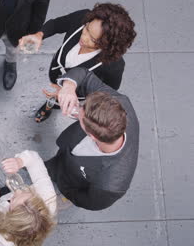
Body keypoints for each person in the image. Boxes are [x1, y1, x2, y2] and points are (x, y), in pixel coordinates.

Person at [44, 66, 139, 211]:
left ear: (92, 136)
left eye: (79, 117)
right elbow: (85, 75)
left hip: (70, 184)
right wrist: (69, 87)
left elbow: (90, 202)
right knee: (47, 167)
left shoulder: (112, 184)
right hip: (64, 157)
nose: (76, 110)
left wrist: (65, 189)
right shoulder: (119, 103)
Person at [33, 3, 137, 122]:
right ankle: (50, 104)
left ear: (108, 45)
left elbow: (107, 91)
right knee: (51, 93)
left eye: (93, 39)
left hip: (78, 92)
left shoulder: (114, 66)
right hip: (56, 72)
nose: (83, 37)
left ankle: (51, 106)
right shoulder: (82, 17)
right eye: (87, 28)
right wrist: (39, 35)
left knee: (57, 100)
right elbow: (56, 24)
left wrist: (74, 97)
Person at [0, 150, 56, 246]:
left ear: (9, 221)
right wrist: (20, 161)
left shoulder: (5, 239)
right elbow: (34, 159)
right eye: (28, 193)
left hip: (0, 218)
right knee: (7, 193)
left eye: (14, 198)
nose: (18, 191)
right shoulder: (47, 196)